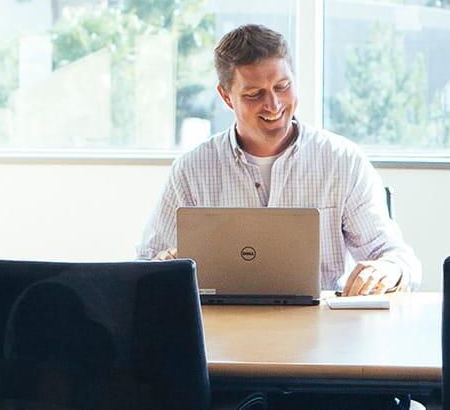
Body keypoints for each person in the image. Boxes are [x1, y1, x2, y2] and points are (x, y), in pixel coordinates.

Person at [138, 24, 419, 296]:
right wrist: (163, 266)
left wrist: (390, 269)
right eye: (254, 94)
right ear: (226, 96)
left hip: (319, 331)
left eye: (282, 86)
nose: (273, 104)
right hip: (221, 334)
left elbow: (397, 257)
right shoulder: (192, 170)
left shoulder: (342, 161)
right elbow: (145, 267)